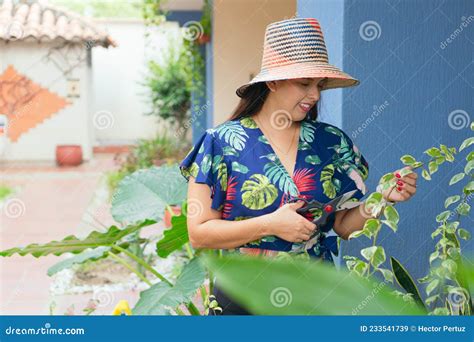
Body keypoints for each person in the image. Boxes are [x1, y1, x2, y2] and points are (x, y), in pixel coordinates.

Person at [179, 18, 418, 315]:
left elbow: (344, 227)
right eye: (304, 83)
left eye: (319, 85)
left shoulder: (332, 143)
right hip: (241, 295)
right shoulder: (220, 143)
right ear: (273, 81)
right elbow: (199, 233)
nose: (315, 95)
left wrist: (382, 199)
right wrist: (270, 224)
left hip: (314, 294)